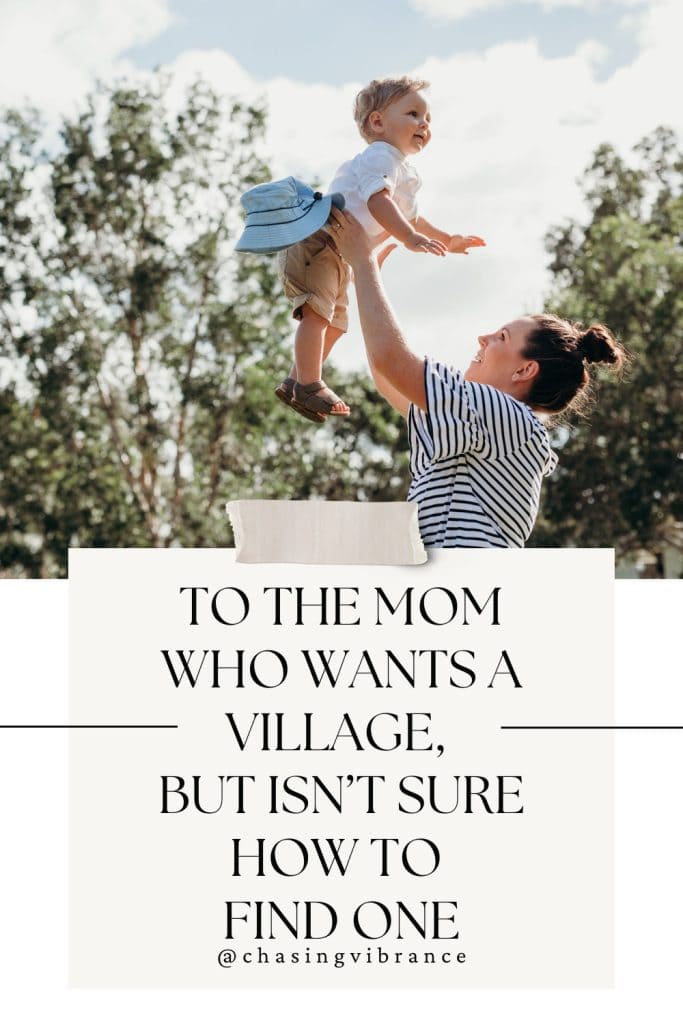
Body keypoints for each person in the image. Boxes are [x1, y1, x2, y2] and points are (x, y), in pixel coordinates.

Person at [329, 207, 626, 548]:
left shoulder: (507, 416)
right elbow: (388, 376)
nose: (482, 338)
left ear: (525, 370)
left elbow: (392, 361)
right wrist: (367, 279)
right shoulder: (488, 423)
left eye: (501, 337)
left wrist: (363, 263)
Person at [275, 76, 485, 422]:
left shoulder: (403, 170)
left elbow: (413, 218)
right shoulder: (379, 157)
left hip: (341, 253)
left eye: (428, 119)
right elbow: (378, 203)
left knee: (337, 324)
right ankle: (310, 383)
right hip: (321, 240)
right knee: (317, 314)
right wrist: (406, 237)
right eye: (414, 114)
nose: (424, 124)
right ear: (377, 121)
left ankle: (296, 380)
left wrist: (449, 239)